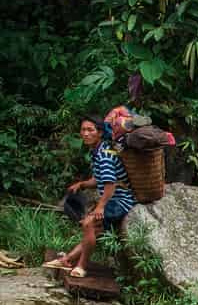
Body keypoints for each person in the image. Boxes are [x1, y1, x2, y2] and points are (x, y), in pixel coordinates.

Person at [46, 115, 135, 279]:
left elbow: (110, 184)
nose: (85, 133)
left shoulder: (105, 155)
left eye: (90, 130)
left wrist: (100, 207)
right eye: (83, 130)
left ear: (100, 133)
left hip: (121, 200)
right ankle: (66, 260)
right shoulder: (98, 151)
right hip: (113, 198)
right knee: (94, 230)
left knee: (88, 223)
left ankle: (81, 266)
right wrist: (82, 184)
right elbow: (99, 178)